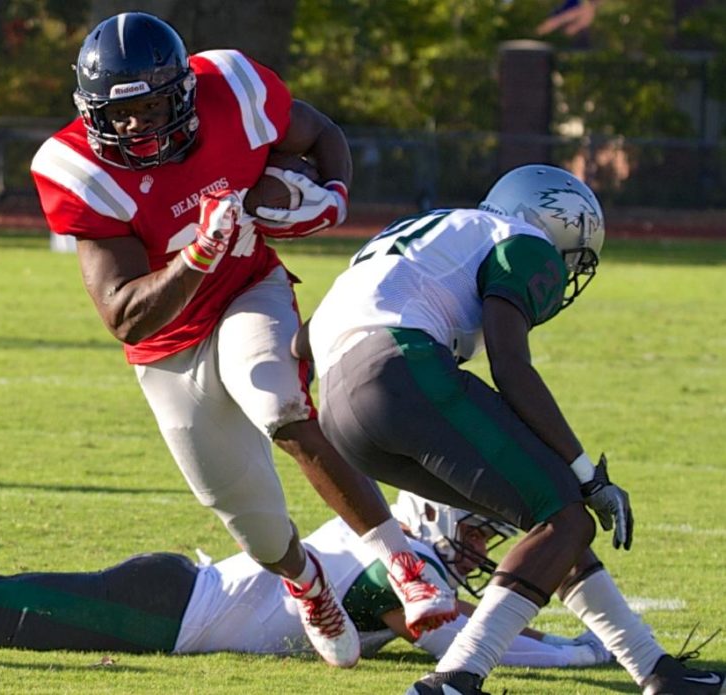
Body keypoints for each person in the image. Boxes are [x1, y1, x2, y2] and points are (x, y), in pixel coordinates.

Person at [28, 11, 454, 668]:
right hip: (167, 342)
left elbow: (321, 133)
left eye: (150, 106)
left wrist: (333, 195)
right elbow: (123, 313)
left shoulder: (232, 85)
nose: (137, 126)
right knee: (247, 514)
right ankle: (306, 580)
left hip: (247, 289)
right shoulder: (76, 168)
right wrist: (198, 254)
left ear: (184, 92)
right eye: (120, 115)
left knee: (279, 404)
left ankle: (401, 560)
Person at [295, 164, 726, 694]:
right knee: (566, 516)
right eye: (570, 253)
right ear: (549, 222)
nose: (564, 269)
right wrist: (587, 474)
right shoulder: (522, 241)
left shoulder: (425, 231)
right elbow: (510, 366)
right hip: (400, 370)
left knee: (547, 515)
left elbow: (302, 345)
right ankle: (455, 679)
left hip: (342, 415)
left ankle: (656, 670)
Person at [0, 393, 611, 668]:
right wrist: (583, 649)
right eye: (477, 533)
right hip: (172, 613)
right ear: (430, 512)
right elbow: (452, 643)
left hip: (177, 598)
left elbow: (465, 628)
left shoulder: (402, 561)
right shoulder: (404, 571)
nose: (481, 549)